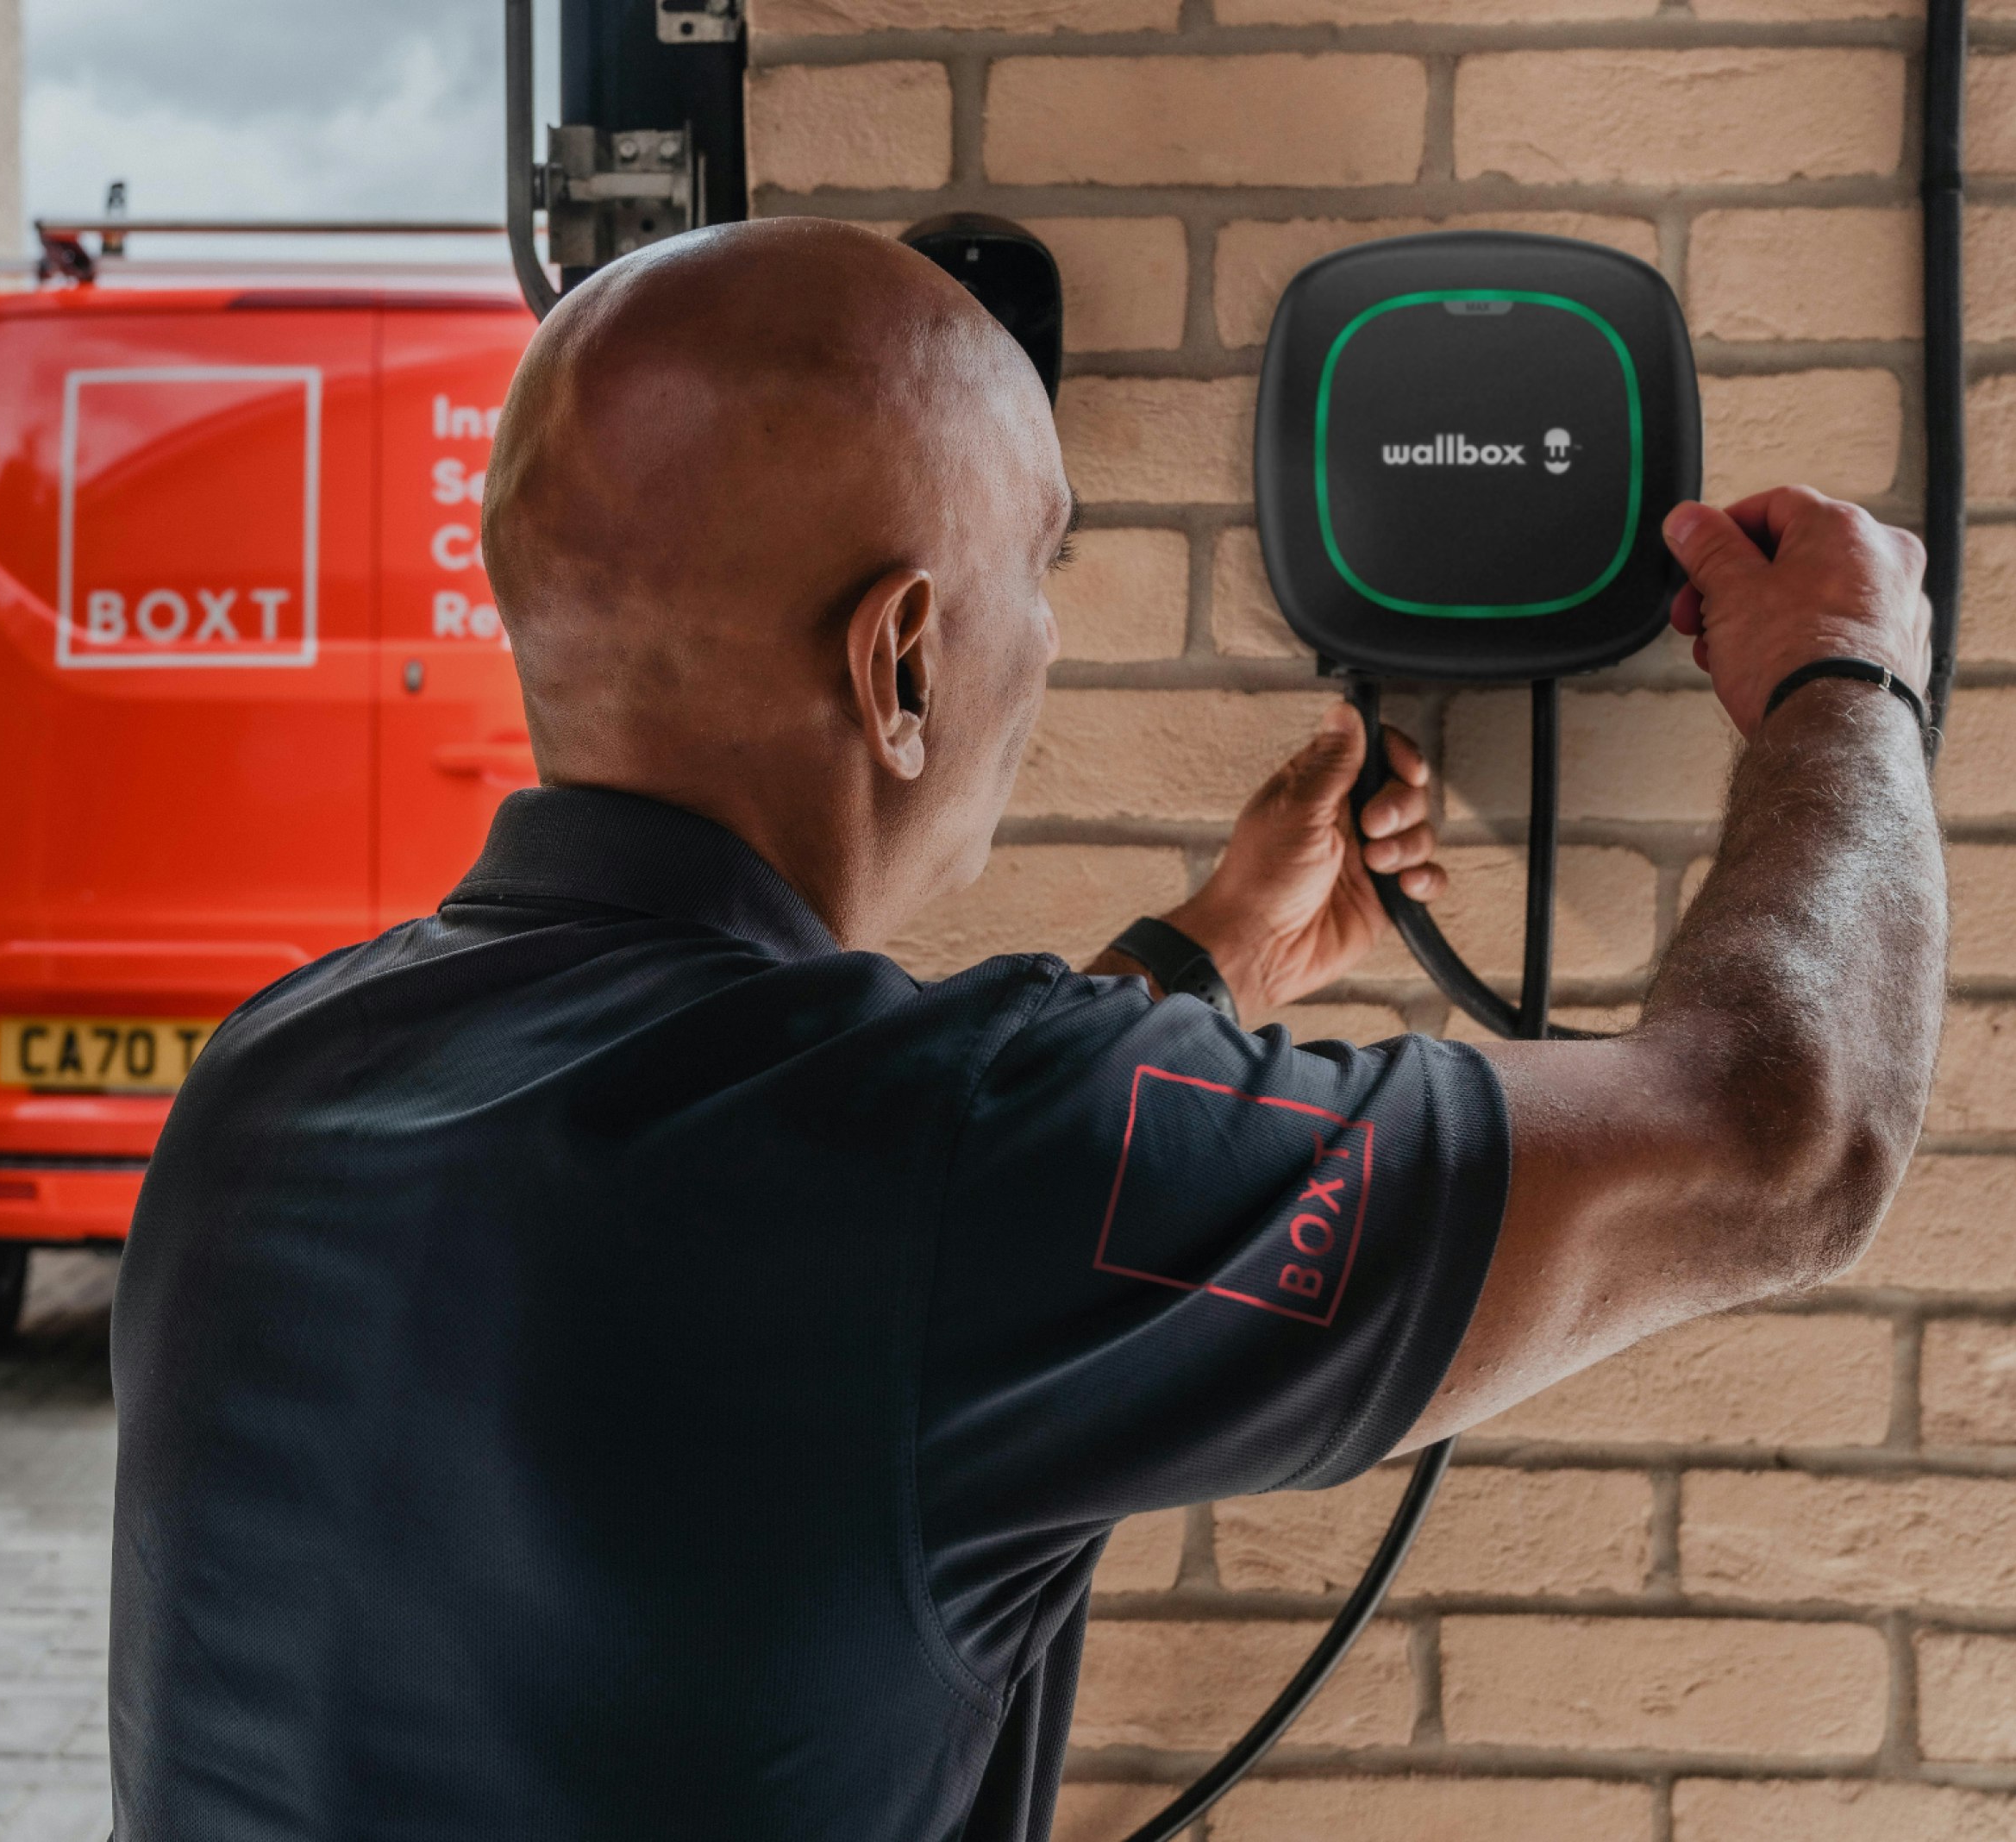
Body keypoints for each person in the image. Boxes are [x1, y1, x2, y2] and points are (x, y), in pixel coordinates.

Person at [107, 218, 1942, 1842]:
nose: (1046, 639)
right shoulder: (947, 1151)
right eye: (1040, 564)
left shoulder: (273, 1078)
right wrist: (1839, 680)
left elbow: (840, 1252)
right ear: (898, 658)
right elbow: (1783, 1135)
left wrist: (1208, 952)